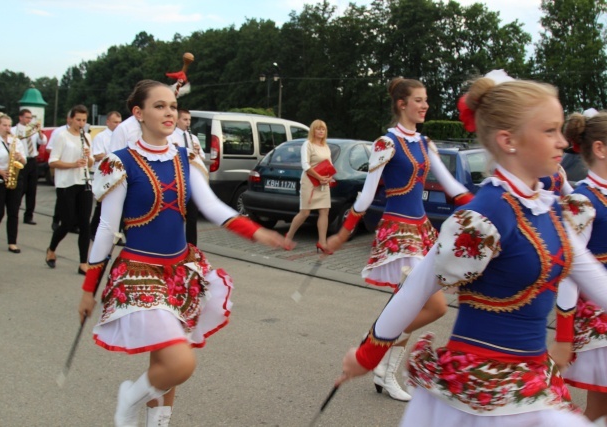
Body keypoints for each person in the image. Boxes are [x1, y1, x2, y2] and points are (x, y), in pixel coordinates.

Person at [334, 72, 607, 426]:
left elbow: (594, 280)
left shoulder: (551, 210)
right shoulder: (482, 219)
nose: (562, 143)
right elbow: (417, 287)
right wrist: (368, 353)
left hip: (530, 382)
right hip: (476, 392)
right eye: (549, 131)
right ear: (509, 140)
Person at [77, 79, 292, 427]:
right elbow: (105, 229)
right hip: (140, 272)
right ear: (139, 113)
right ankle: (128, 400)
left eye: (172, 107)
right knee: (180, 363)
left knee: (167, 361)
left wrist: (257, 232)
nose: (168, 113)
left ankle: (157, 422)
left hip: (181, 271)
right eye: (159, 106)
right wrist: (89, 288)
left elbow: (213, 206)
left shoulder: (185, 157)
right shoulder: (118, 164)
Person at [326, 78, 473, 401]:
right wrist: (342, 233)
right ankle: (380, 351)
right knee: (431, 305)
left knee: (417, 306)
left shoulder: (424, 142)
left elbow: (452, 185)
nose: (425, 106)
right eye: (418, 100)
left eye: (426, 100)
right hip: (398, 232)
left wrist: (482, 208)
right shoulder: (386, 143)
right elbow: (366, 197)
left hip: (421, 230)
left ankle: (380, 355)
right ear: (401, 104)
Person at [559, 108, 607, 422]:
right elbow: (569, 272)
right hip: (600, 316)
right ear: (600, 148)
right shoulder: (582, 200)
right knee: (598, 409)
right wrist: (564, 334)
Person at [46, 105, 94, 275]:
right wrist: (73, 164)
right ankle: (51, 249)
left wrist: (88, 157)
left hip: (84, 183)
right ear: (70, 119)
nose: (81, 123)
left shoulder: (87, 136)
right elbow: (52, 162)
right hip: (66, 184)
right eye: (78, 120)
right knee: (67, 222)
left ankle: (83, 262)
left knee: (84, 224)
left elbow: (91, 163)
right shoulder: (62, 136)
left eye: (84, 120)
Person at [285, 120, 335, 254]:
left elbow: (329, 164)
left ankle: (322, 243)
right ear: (313, 130)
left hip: (323, 184)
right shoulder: (307, 144)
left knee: (324, 212)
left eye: (323, 129)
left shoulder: (325, 146)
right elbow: (305, 165)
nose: (321, 131)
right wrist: (319, 177)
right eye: (318, 129)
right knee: (305, 212)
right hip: (309, 183)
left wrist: (329, 177)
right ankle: (288, 237)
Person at [0, 113, 26, 253]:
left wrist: (20, 157)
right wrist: (1, 172)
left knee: (14, 211)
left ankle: (12, 242)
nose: (7, 128)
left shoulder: (15, 141)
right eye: (4, 125)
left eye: (9, 125)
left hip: (15, 177)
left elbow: (24, 161)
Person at [168, 108, 205, 245]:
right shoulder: (170, 136)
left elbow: (202, 158)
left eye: (189, 120)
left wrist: (197, 152)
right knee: (175, 214)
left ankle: (192, 245)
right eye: (185, 119)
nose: (188, 123)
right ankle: (174, 243)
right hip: (176, 180)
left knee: (192, 215)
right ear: (177, 120)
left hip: (192, 180)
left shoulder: (193, 138)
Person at [90, 111, 122, 237]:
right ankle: (93, 231)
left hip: (119, 174)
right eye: (115, 122)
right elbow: (97, 155)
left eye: (120, 122)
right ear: (107, 122)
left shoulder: (122, 136)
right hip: (106, 174)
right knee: (102, 205)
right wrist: (112, 156)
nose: (118, 125)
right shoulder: (101, 137)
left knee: (119, 206)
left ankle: (115, 234)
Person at [12, 108, 47, 225]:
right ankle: (14, 212)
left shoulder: (33, 131)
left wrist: (40, 131)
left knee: (32, 190)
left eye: (30, 118)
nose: (29, 120)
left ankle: (29, 216)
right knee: (21, 188)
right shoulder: (14, 130)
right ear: (20, 117)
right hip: (21, 160)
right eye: (27, 117)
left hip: (33, 160)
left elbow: (43, 142)